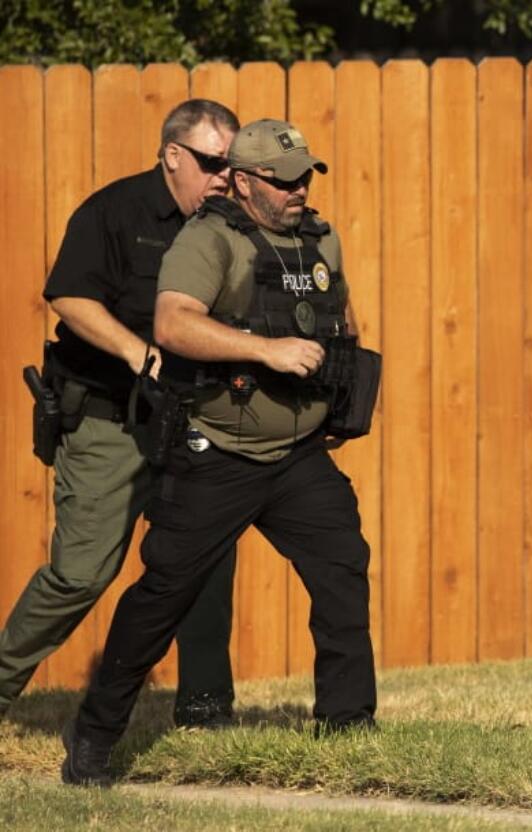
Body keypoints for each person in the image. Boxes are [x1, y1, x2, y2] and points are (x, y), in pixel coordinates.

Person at [60, 118, 377, 786]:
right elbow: (173, 324)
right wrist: (266, 351)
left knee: (343, 564)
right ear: (243, 178)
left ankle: (348, 728)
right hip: (217, 450)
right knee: (163, 594)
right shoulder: (207, 240)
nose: (297, 190)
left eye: (304, 177)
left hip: (295, 452)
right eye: (282, 179)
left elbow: (342, 320)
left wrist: (341, 392)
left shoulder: (321, 239)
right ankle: (94, 736)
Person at [0, 100, 241, 729]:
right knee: (81, 574)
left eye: (231, 163)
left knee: (206, 556)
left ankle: (205, 708)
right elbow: (68, 297)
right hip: (111, 421)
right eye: (213, 162)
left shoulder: (231, 225)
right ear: (173, 155)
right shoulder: (114, 212)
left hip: (193, 421)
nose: (224, 175)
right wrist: (141, 353)